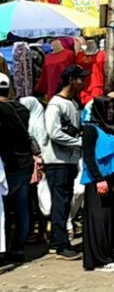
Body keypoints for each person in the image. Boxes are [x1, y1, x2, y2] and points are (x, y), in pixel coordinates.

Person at [43, 65, 89, 260]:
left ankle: (57, 239)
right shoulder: (56, 105)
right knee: (60, 203)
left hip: (69, 159)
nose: (83, 82)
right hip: (57, 161)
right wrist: (79, 142)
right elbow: (53, 132)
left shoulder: (73, 104)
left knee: (64, 200)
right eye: (80, 79)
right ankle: (61, 244)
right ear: (71, 80)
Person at [80, 96, 114, 272]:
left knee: (109, 219)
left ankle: (107, 253)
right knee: (99, 220)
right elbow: (88, 157)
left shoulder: (110, 128)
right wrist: (99, 178)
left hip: (112, 179)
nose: (110, 112)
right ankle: (99, 259)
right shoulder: (90, 130)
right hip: (97, 180)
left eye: (111, 108)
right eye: (107, 108)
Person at [0, 75, 42, 263]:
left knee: (4, 209)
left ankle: (4, 248)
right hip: (24, 164)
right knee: (22, 207)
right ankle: (18, 248)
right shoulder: (22, 109)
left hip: (7, 165)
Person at [20, 96, 50, 244]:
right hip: (41, 165)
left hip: (35, 167)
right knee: (39, 199)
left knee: (35, 199)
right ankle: (43, 231)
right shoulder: (41, 121)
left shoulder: (30, 124)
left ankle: (38, 231)